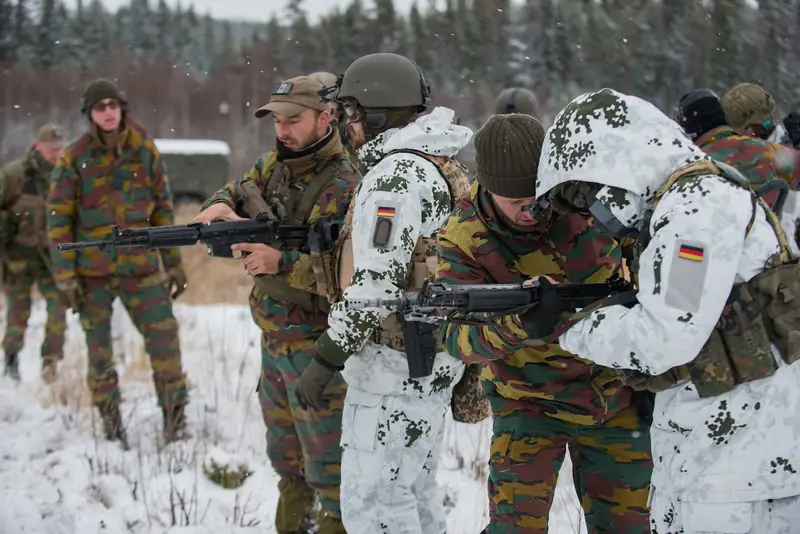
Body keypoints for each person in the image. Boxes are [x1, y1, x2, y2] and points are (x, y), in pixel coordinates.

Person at [535, 87, 800, 534]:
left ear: (615, 161)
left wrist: (568, 327)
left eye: (588, 194)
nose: (594, 212)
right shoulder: (686, 200)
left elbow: (663, 340)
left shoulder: (695, 207)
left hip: (741, 466)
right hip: (722, 453)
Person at [435, 113, 653, 534]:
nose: (531, 209)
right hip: (526, 402)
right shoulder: (464, 237)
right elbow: (455, 338)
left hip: (614, 396)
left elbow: (647, 260)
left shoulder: (591, 201)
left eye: (537, 195)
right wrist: (522, 325)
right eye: (514, 201)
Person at [294, 52, 473, 534]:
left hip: (396, 367)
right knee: (413, 494)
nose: (345, 126)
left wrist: (327, 357)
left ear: (374, 114)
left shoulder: (395, 177)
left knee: (374, 510)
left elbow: (375, 284)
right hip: (432, 359)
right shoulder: (440, 161)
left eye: (349, 114)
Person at [194, 75, 359, 534]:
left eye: (294, 119)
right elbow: (236, 189)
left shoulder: (345, 184)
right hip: (275, 342)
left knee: (331, 472)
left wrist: (280, 262)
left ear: (326, 118)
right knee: (287, 462)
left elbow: (353, 278)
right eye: (277, 121)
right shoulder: (275, 166)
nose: (282, 130)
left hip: (320, 350)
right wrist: (217, 207)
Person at [47, 78, 188, 448]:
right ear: (90, 114)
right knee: (100, 354)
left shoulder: (144, 149)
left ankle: (175, 421)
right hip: (91, 275)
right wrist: (65, 277)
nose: (108, 113)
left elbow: (162, 211)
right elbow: (58, 218)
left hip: (141, 271)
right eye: (100, 107)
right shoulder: (74, 156)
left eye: (113, 105)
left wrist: (173, 264)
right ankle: (111, 426)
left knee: (165, 344)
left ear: (122, 108)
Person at [0, 124, 68, 382]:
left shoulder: (65, 175)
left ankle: (50, 365)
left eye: (60, 149)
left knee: (59, 311)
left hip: (51, 259)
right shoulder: (14, 175)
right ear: (38, 146)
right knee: (18, 313)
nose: (56, 154)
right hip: (18, 258)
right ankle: (11, 359)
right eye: (52, 149)